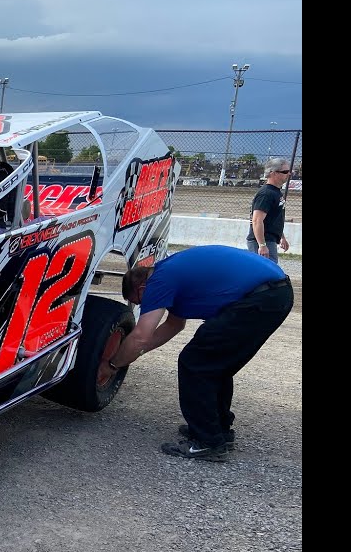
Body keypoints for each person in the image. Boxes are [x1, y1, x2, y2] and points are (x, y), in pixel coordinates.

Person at [100, 245, 294, 461]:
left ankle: (208, 442)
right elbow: (173, 326)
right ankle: (218, 430)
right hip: (275, 292)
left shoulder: (159, 280)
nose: (143, 306)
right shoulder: (170, 272)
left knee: (194, 363)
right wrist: (135, 352)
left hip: (260, 298)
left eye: (140, 302)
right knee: (216, 363)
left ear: (143, 288)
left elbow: (141, 336)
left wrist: (112, 365)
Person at [245, 158, 292, 262]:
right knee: (265, 274)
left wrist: (281, 236)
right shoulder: (266, 194)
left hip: (269, 239)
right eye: (285, 172)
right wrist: (262, 245)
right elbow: (257, 220)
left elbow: (275, 218)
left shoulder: (276, 192)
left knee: (268, 273)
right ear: (273, 173)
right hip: (261, 240)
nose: (289, 174)